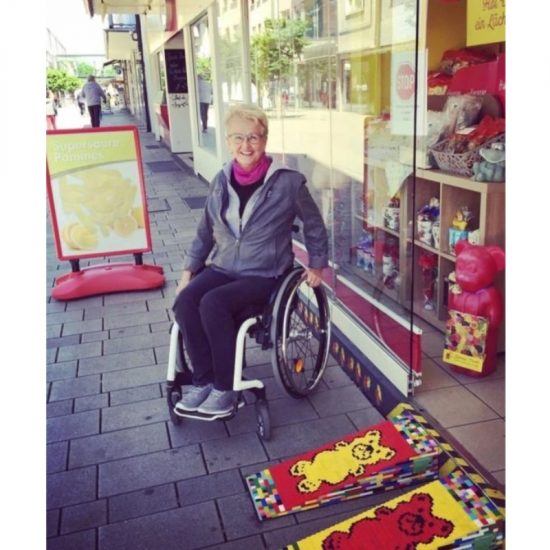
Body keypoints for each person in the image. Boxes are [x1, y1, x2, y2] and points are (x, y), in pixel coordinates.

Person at [172, 103, 329, 416]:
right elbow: (205, 230)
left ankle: (226, 389)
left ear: (264, 140)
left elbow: (313, 224)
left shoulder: (288, 182)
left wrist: (317, 264)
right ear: (228, 141)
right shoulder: (221, 180)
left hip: (265, 274)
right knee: (186, 300)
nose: (246, 145)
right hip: (223, 266)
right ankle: (204, 380)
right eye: (238, 138)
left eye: (253, 137)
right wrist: (188, 271)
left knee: (213, 303)